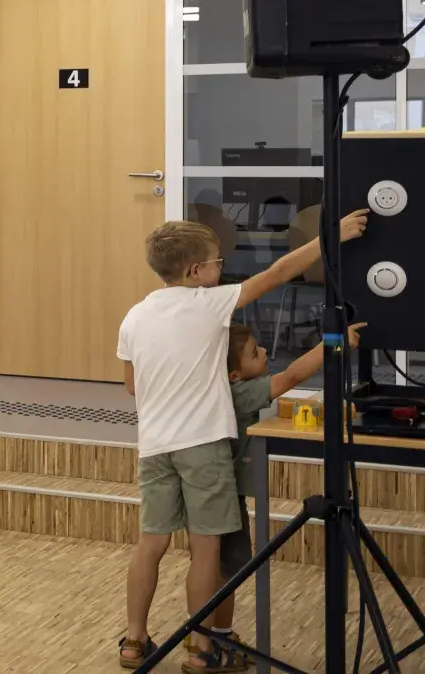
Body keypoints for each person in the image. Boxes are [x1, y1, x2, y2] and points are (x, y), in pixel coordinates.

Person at [116, 212, 367, 672]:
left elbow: (132, 386)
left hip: (153, 446)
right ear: (196, 272)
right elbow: (277, 273)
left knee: (150, 544)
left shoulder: (135, 314)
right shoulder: (209, 303)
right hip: (203, 446)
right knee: (207, 548)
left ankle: (133, 641)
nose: (221, 270)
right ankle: (202, 649)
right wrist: (329, 239)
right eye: (217, 262)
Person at [215, 322, 365, 617]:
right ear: (234, 374)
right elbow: (292, 375)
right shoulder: (239, 392)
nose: (264, 351)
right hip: (225, 495)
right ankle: (210, 637)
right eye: (254, 352)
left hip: (227, 493)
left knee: (226, 568)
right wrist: (334, 342)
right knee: (223, 569)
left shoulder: (226, 388)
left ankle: (217, 634)